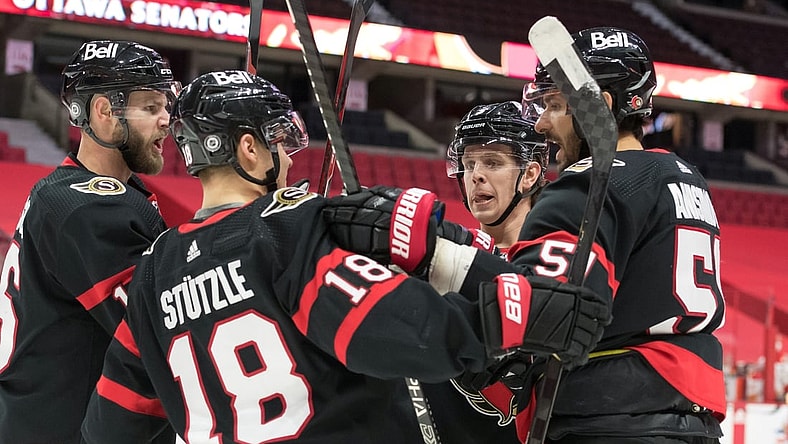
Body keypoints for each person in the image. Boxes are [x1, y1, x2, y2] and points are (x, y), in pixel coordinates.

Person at [79, 69, 610, 444]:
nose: (288, 159)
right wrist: (513, 322)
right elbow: (388, 328)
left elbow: (111, 423)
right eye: (278, 145)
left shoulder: (152, 269)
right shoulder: (285, 230)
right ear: (247, 150)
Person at [323, 26, 726, 443]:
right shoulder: (682, 177)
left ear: (598, 107)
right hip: (693, 419)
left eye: (553, 104)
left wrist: (433, 257)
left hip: (610, 422)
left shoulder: (588, 185)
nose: (542, 123)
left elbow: (546, 310)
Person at [0, 40, 180, 442]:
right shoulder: (88, 209)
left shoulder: (71, 191)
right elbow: (168, 339)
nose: (167, 119)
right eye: (151, 107)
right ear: (103, 112)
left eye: (167, 106)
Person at [417, 101, 549, 443]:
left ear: (530, 174)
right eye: (469, 163)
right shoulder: (441, 256)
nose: (476, 174)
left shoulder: (560, 263)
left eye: (492, 162)